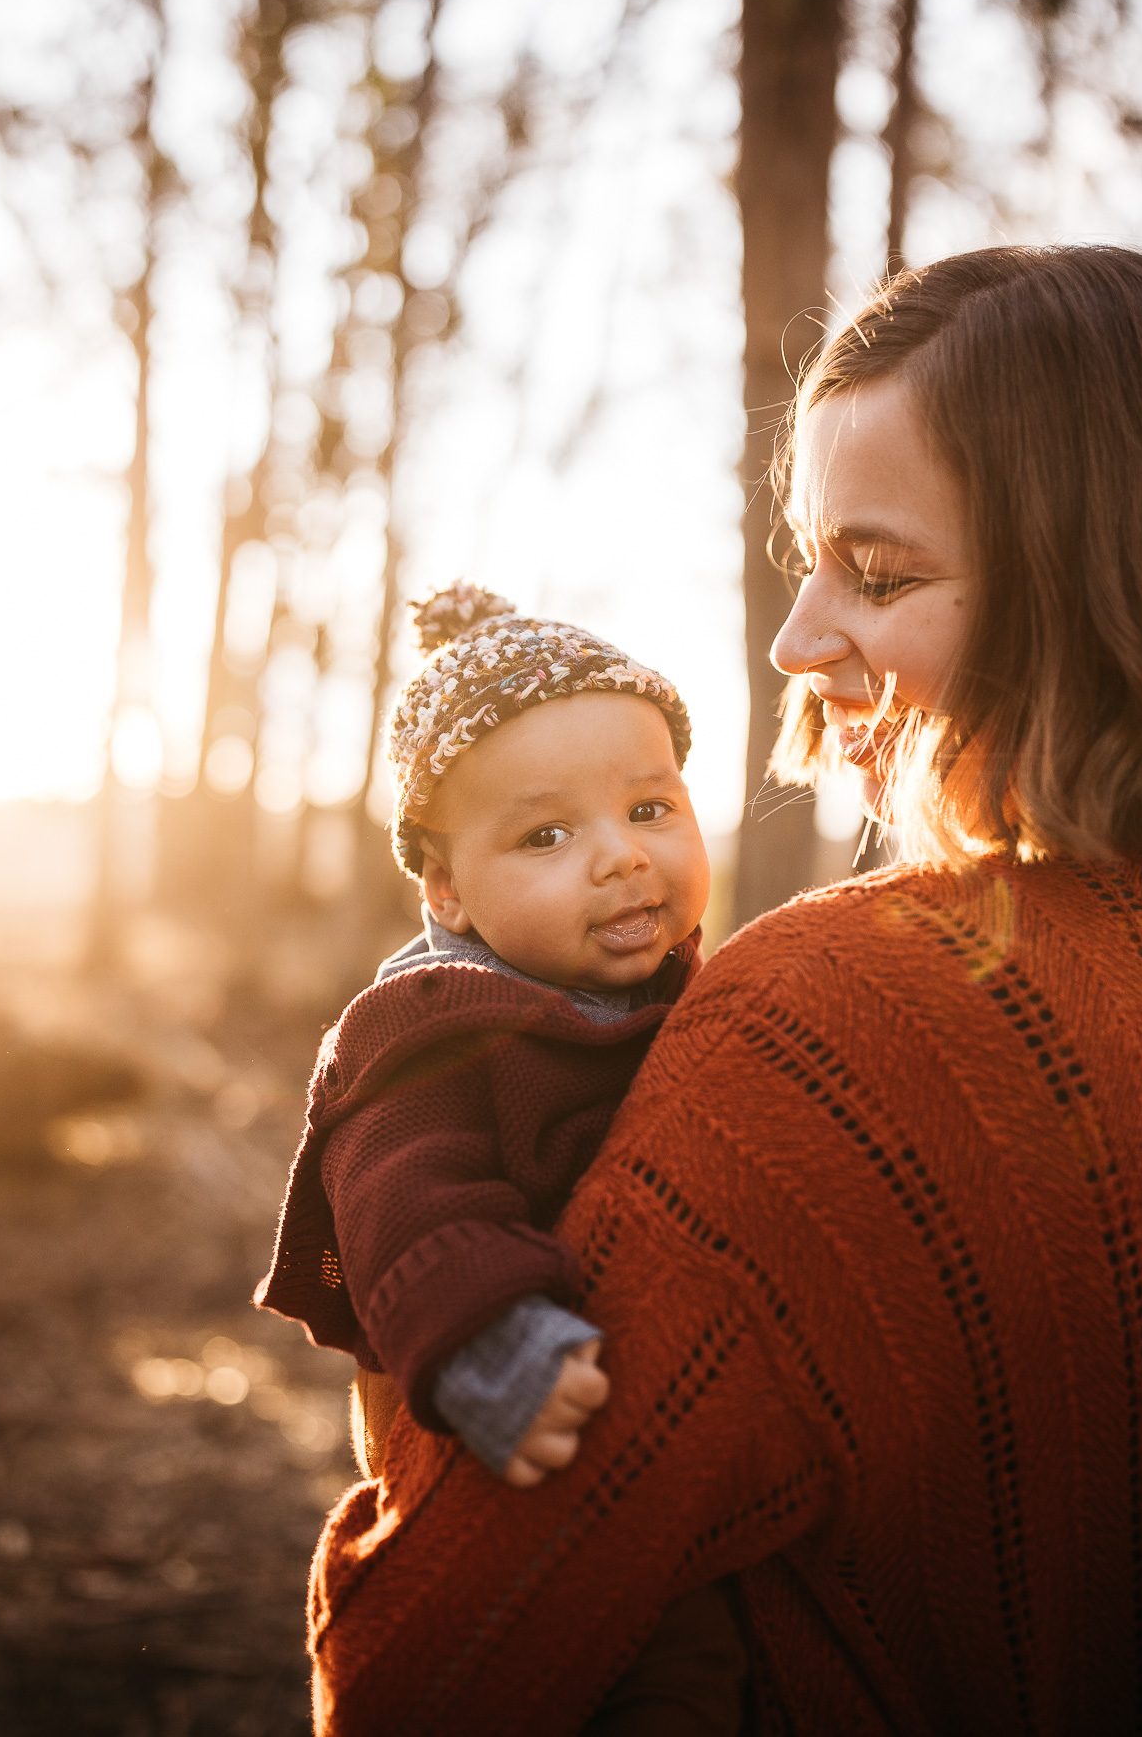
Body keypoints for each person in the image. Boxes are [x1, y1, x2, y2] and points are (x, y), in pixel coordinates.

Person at [303, 244, 1142, 1737]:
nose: (796, 640)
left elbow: (434, 1668)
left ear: (1094, 584)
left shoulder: (825, 1021)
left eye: (880, 574)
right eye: (807, 561)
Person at [257, 586, 749, 1729]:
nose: (622, 857)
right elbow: (402, 1194)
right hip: (500, 1411)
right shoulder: (430, 1023)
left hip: (677, 1455)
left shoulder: (703, 994)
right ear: (445, 889)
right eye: (546, 834)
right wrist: (491, 1340)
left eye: (649, 805)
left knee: (700, 1673)